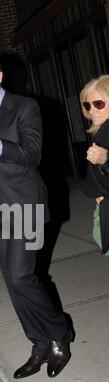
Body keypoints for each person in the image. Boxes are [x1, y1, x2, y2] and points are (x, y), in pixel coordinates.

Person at [0, 52, 73, 379]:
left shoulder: (24, 107)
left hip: (24, 205)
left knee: (23, 276)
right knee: (12, 283)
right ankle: (40, 344)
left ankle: (60, 331)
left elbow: (33, 154)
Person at [80, 75, 109, 254]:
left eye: (99, 104)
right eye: (87, 105)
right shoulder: (101, 131)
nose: (92, 110)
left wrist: (106, 160)